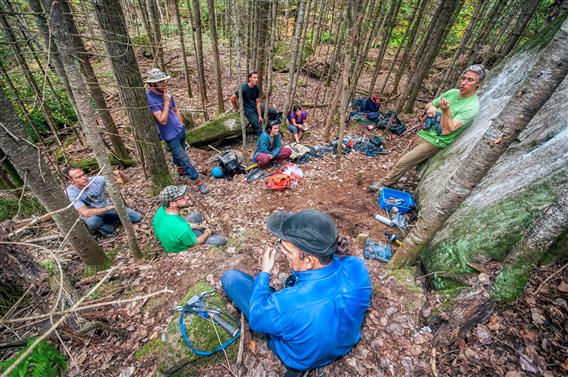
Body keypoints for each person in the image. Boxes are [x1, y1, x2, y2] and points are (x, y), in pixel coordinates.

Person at [221, 210, 371, 375]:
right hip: (345, 343)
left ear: (308, 261)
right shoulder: (358, 266)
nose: (282, 253)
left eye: (286, 250)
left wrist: (264, 274)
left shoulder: (286, 304)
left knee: (231, 278)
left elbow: (257, 319)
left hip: (301, 358)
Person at [369, 64, 487, 192]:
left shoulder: (471, 107)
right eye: (463, 78)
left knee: (403, 162)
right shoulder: (452, 93)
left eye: (470, 80)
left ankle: (384, 184)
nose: (464, 83)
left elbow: (449, 129)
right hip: (424, 132)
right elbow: (429, 105)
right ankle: (397, 178)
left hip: (435, 140)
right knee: (401, 160)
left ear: (477, 85)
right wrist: (431, 109)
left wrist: (446, 111)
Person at [145, 68, 208, 194]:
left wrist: (181, 124)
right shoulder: (150, 98)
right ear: (152, 84)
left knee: (178, 154)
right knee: (183, 158)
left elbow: (175, 110)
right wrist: (166, 102)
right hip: (169, 135)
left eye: (164, 81)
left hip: (179, 130)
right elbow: (162, 120)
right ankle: (198, 181)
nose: (163, 84)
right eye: (160, 82)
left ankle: (180, 169)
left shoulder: (167, 92)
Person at [65, 168, 142, 237]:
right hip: (94, 215)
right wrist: (109, 208)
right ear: (71, 180)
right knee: (92, 222)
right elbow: (86, 213)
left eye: (83, 175)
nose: (84, 178)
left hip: (108, 209)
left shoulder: (96, 180)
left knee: (137, 217)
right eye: (78, 177)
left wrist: (120, 174)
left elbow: (123, 181)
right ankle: (109, 231)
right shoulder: (71, 193)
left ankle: (112, 221)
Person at [153, 185, 227, 253]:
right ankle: (204, 235)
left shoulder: (162, 210)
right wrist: (207, 233)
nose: (187, 198)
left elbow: (179, 225)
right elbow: (195, 243)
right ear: (172, 204)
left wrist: (197, 225)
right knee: (220, 240)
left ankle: (199, 232)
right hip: (182, 248)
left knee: (196, 215)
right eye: (182, 197)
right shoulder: (182, 228)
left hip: (173, 234)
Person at [230, 71, 264, 136]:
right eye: (254, 78)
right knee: (259, 127)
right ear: (250, 78)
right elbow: (232, 98)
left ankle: (271, 127)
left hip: (254, 107)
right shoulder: (243, 88)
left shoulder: (256, 88)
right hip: (247, 110)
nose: (256, 79)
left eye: (257, 78)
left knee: (272, 112)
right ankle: (263, 142)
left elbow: (258, 102)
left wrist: (259, 115)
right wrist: (237, 108)